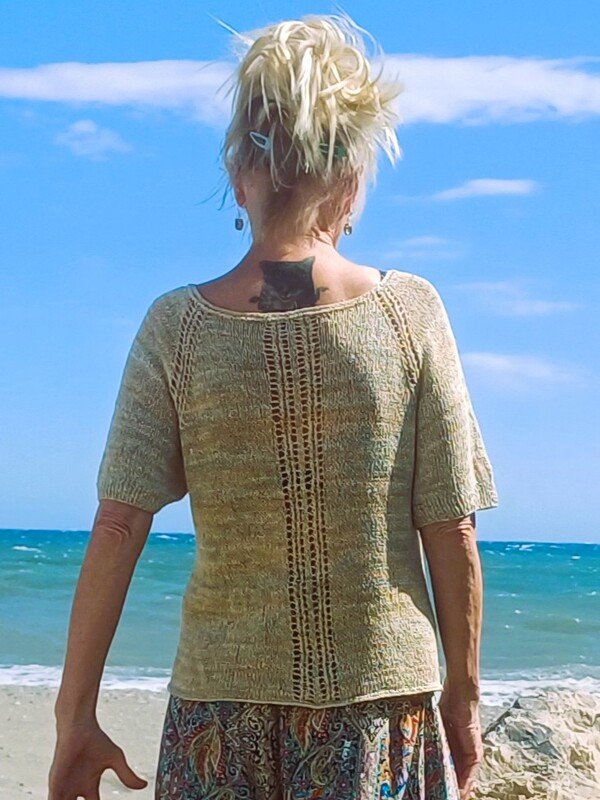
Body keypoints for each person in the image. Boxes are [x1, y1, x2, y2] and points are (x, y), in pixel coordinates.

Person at [48, 11, 499, 800]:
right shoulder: (409, 315)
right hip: (378, 709)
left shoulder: (177, 328)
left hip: (216, 718)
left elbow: (119, 524)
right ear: (351, 179)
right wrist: (463, 697)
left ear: (238, 175)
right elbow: (451, 524)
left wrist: (74, 715)